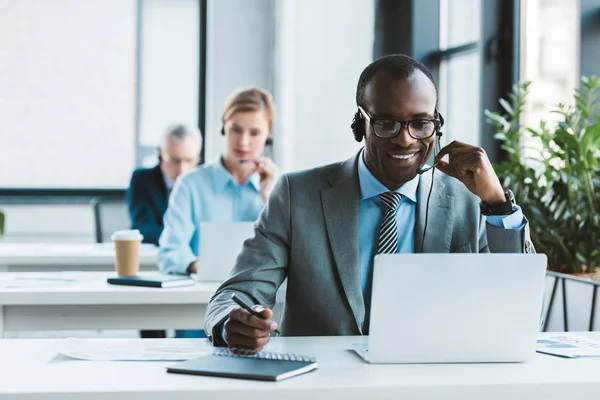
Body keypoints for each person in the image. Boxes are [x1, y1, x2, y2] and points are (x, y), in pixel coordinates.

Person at [204, 54, 535, 352]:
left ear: (436, 125)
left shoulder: (469, 201)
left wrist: (498, 205)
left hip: (431, 383)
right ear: (360, 124)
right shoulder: (297, 195)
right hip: (324, 387)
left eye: (421, 124)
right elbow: (235, 295)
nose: (405, 139)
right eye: (386, 123)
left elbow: (525, 311)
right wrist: (234, 324)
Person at [158, 87, 280, 338]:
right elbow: (170, 249)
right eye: (236, 129)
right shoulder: (191, 183)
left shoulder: (280, 188)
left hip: (258, 308)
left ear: (268, 135)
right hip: (198, 306)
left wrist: (271, 198)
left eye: (254, 132)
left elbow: (294, 253)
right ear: (224, 127)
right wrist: (198, 266)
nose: (243, 142)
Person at [126, 125, 202, 245]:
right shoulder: (142, 180)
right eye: (175, 161)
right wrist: (178, 240)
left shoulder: (204, 183)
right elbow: (142, 228)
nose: (182, 169)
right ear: (161, 157)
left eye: (189, 160)